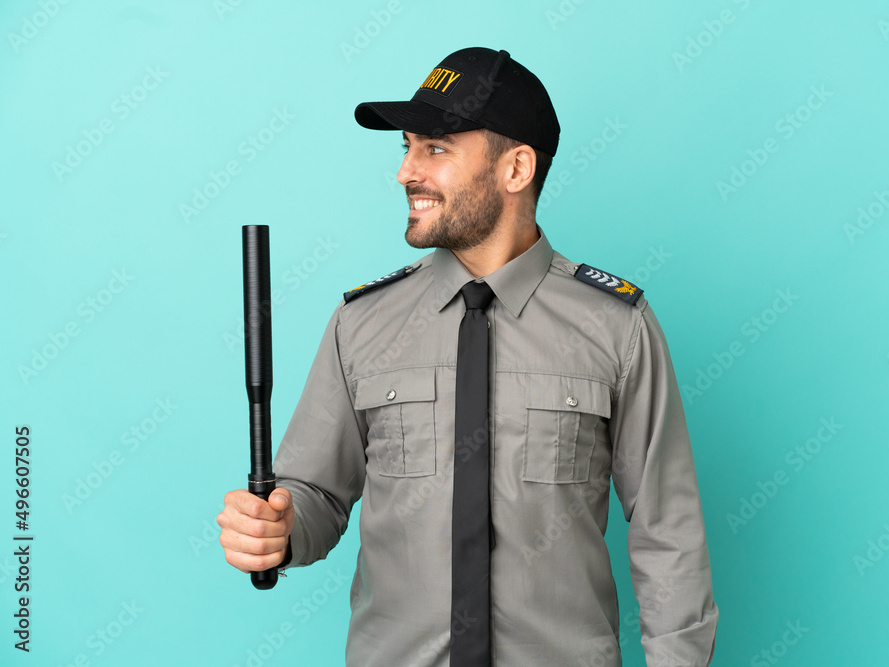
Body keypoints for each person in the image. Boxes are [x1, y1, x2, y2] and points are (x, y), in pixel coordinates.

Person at [218, 46, 718, 666]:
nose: (405, 171)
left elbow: (667, 531)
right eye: (405, 147)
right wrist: (279, 530)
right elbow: (314, 493)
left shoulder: (616, 327)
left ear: (516, 169)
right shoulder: (361, 324)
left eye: (436, 148)